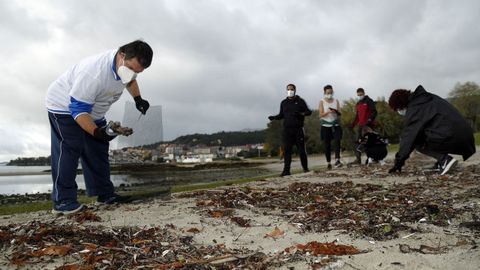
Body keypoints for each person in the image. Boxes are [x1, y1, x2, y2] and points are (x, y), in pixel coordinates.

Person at [45, 40, 153, 214]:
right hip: (64, 106)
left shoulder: (125, 67)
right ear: (122, 55)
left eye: (138, 72)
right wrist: (96, 131)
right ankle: (63, 201)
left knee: (98, 148)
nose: (133, 74)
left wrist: (138, 99)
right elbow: (78, 109)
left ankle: (105, 195)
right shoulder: (93, 73)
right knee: (70, 148)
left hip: (94, 110)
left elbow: (129, 81)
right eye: (132, 69)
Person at [388, 85, 476, 175]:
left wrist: (398, 163)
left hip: (451, 136)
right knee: (426, 133)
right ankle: (440, 162)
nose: (399, 112)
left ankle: (445, 160)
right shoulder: (428, 98)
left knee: (417, 141)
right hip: (466, 135)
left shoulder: (415, 109)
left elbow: (408, 139)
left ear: (401, 105)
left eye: (398, 109)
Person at [268, 84, 312, 176]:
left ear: (295, 90)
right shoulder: (283, 102)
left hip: (298, 129)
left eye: (291, 89)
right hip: (287, 130)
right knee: (287, 150)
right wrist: (274, 117)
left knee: (301, 150)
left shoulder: (300, 101)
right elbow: (281, 115)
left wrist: (301, 114)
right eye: (288, 90)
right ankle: (286, 171)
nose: (290, 91)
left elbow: (308, 112)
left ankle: (305, 168)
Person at [349, 88, 377, 165]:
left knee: (368, 142)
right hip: (361, 126)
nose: (360, 96)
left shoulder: (369, 101)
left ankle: (372, 159)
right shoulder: (358, 103)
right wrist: (352, 125)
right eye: (358, 95)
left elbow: (374, 112)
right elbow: (357, 116)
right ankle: (358, 160)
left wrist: (369, 120)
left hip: (368, 125)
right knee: (358, 142)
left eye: (361, 94)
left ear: (364, 93)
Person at [319, 85, 343, 169]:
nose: (330, 94)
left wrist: (335, 111)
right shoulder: (322, 101)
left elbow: (340, 113)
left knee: (337, 141)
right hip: (325, 125)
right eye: (328, 93)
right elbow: (320, 115)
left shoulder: (336, 101)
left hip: (335, 124)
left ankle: (337, 160)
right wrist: (328, 112)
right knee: (327, 145)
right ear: (325, 93)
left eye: (331, 92)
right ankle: (328, 162)